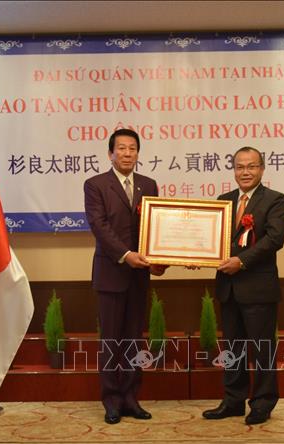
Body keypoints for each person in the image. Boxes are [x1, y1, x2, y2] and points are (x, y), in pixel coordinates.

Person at [84, 128, 166, 425]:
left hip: (139, 276)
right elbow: (99, 226)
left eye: (132, 148)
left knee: (134, 340)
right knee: (111, 341)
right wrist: (126, 255)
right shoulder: (95, 185)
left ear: (138, 154)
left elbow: (155, 228)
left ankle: (131, 397)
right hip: (111, 273)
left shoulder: (149, 184)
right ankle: (112, 400)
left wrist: (159, 259)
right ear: (110, 153)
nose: (127, 153)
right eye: (121, 148)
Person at [202, 146, 284, 425]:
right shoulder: (223, 201)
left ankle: (263, 402)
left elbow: (274, 239)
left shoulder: (275, 200)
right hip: (228, 288)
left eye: (251, 166)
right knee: (233, 348)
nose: (245, 172)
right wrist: (197, 255)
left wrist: (241, 261)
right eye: (240, 167)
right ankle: (233, 401)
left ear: (262, 169)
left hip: (258, 288)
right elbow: (212, 240)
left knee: (262, 349)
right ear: (234, 170)